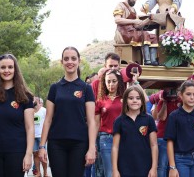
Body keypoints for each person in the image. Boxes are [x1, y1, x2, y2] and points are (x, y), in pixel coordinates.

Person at [38, 46, 96, 177]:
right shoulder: (55, 88)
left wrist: (92, 148)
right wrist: (42, 146)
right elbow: (48, 119)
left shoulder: (86, 88)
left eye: (73, 58)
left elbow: (91, 121)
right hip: (56, 143)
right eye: (66, 59)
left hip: (79, 143)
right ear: (62, 62)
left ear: (79, 61)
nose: (70, 61)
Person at [0, 54, 34, 177]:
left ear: (15, 70)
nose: (7, 70)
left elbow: (30, 128)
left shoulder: (25, 97)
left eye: (10, 67)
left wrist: (28, 154)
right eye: (3, 67)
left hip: (16, 153)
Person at [164, 80, 194, 177]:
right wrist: (172, 167)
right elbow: (170, 142)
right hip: (180, 159)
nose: (192, 97)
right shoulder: (174, 116)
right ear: (181, 95)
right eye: (188, 94)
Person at [112, 85, 158, 177]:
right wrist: (115, 170)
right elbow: (115, 147)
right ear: (125, 100)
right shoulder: (119, 121)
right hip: (124, 167)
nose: (134, 100)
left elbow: (154, 145)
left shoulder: (149, 119)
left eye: (138, 98)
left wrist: (154, 168)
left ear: (142, 100)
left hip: (145, 166)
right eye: (131, 98)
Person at [113, 0, 159, 66]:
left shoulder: (133, 10)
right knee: (144, 34)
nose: (135, 1)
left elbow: (138, 25)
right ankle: (147, 61)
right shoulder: (120, 5)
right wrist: (134, 21)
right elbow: (117, 20)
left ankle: (153, 60)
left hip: (132, 31)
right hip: (123, 33)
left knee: (152, 36)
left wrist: (149, 19)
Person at [95, 69, 126, 177]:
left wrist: (135, 81)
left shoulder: (125, 99)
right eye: (108, 81)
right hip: (106, 139)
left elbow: (144, 100)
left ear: (119, 82)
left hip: (123, 138)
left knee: (123, 170)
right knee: (109, 172)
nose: (111, 84)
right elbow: (96, 124)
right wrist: (93, 144)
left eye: (114, 81)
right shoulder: (100, 100)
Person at [153, 87, 180, 177]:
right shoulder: (162, 101)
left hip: (176, 138)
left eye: (173, 91)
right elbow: (162, 117)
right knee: (162, 165)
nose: (171, 94)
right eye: (168, 92)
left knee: (173, 165)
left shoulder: (180, 100)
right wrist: (164, 101)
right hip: (163, 136)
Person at [32, 97, 48, 177]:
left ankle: (45, 173)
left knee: (43, 155)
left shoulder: (44, 110)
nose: (32, 101)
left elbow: (48, 122)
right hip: (33, 136)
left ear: (38, 101)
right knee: (35, 154)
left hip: (42, 136)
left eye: (34, 100)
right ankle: (38, 172)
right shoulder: (30, 111)